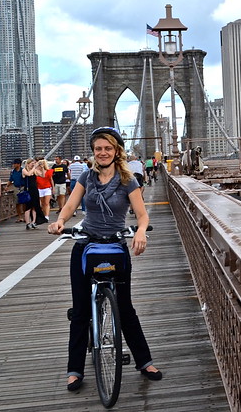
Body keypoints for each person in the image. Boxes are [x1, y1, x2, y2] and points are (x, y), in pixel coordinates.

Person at [47, 127, 161, 392]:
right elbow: (71, 205)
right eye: (98, 148)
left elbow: (142, 216)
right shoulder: (86, 177)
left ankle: (144, 362)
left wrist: (141, 232)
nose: (103, 153)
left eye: (108, 148)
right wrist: (60, 221)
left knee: (125, 308)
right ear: (94, 152)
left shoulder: (127, 180)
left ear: (116, 151)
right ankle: (74, 370)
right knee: (80, 311)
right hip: (87, 244)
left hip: (115, 247)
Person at [22, 158, 46, 228]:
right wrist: (35, 167)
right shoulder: (24, 170)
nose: (33, 165)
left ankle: (34, 221)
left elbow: (42, 176)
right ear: (28, 163)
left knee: (35, 206)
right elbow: (29, 174)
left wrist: (42, 168)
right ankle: (27, 223)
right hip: (28, 190)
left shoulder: (34, 170)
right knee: (28, 207)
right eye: (32, 163)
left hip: (34, 190)